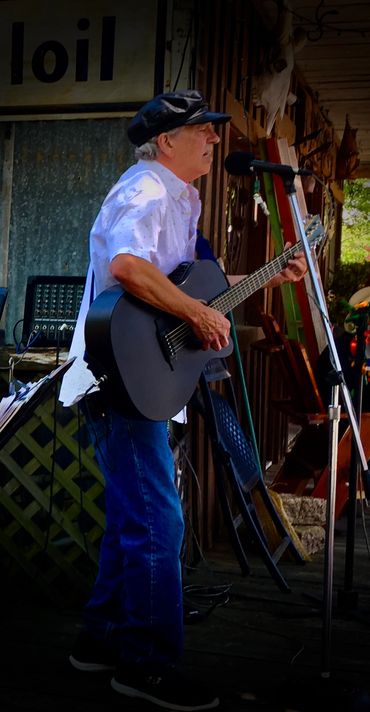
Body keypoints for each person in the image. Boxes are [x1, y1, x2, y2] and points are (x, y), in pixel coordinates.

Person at [59, 89, 307, 711]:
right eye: (204, 130)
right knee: (158, 522)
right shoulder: (145, 189)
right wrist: (196, 310)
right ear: (166, 141)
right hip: (115, 379)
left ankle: (102, 638)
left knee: (133, 516)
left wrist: (267, 277)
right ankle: (147, 665)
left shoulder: (181, 197)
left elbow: (189, 296)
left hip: (141, 375)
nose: (216, 139)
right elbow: (126, 268)